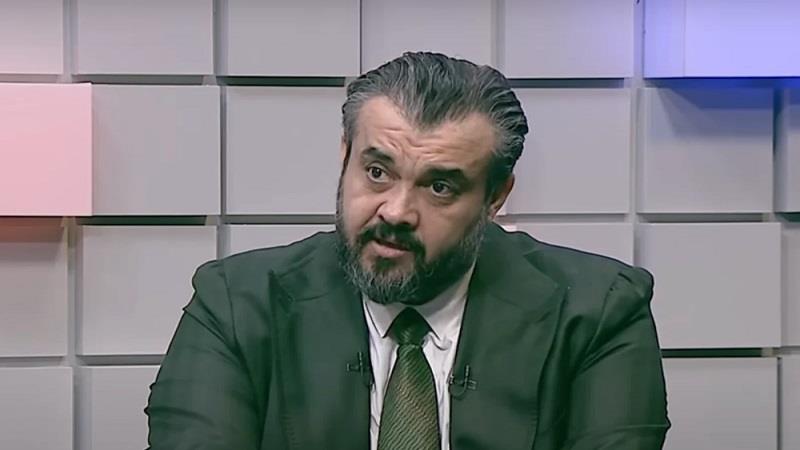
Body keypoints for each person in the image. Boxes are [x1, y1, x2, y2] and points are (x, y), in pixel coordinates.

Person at [146, 52, 670, 450]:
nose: (396, 211)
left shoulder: (598, 311)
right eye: (377, 172)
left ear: (495, 197)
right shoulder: (237, 304)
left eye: (439, 187)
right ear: (345, 158)